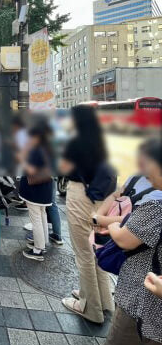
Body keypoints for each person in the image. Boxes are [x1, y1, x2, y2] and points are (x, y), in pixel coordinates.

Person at [60, 138, 161, 345]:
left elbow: (126, 236)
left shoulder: (156, 204)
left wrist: (106, 223)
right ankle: (101, 304)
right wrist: (106, 220)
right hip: (138, 286)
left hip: (144, 296)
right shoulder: (140, 180)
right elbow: (116, 195)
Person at [59, 104, 113, 323]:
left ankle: (90, 308)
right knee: (97, 247)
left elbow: (62, 168)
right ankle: (105, 300)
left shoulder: (75, 141)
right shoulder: (102, 140)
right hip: (101, 198)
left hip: (80, 194)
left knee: (83, 252)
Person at [18, 122, 55, 261]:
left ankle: (38, 250)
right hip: (45, 189)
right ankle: (43, 242)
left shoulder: (36, 150)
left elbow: (31, 170)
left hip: (34, 190)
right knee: (42, 215)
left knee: (36, 219)